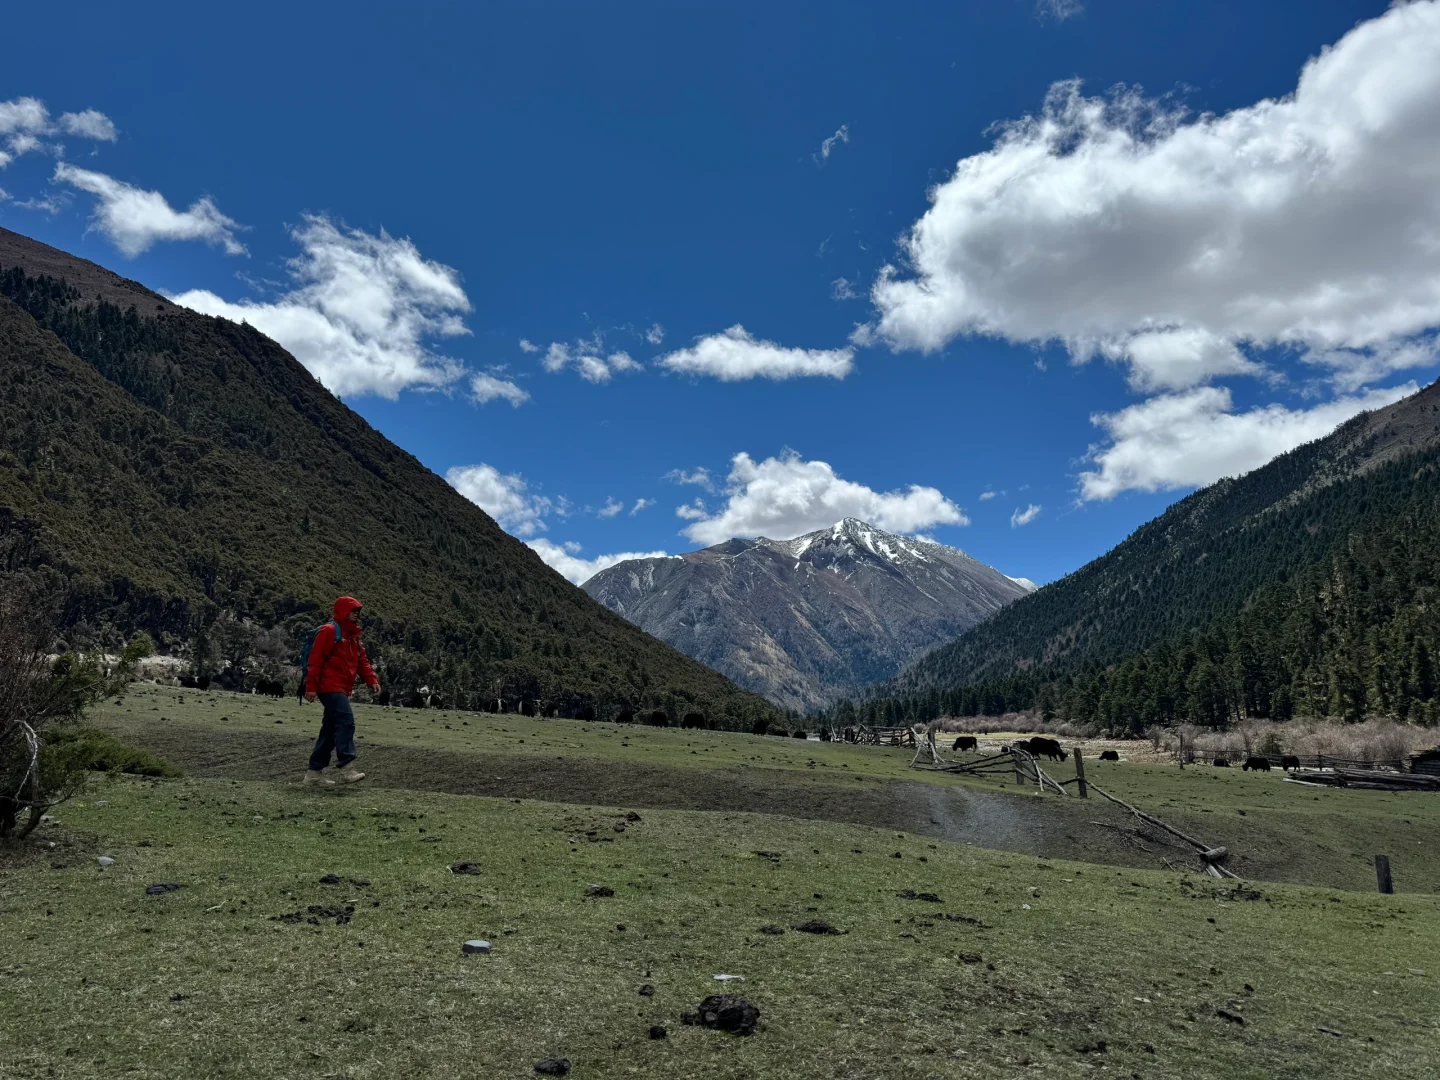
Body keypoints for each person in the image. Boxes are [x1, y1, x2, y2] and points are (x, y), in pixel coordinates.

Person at [303, 596, 381, 786]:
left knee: (330, 731)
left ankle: (313, 773)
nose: (357, 615)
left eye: (358, 612)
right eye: (354, 611)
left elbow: (362, 661)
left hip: (342, 688)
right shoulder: (329, 631)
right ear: (343, 611)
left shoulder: (353, 636)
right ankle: (347, 767)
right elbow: (315, 660)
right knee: (346, 721)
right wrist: (311, 687)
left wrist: (372, 680)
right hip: (328, 687)